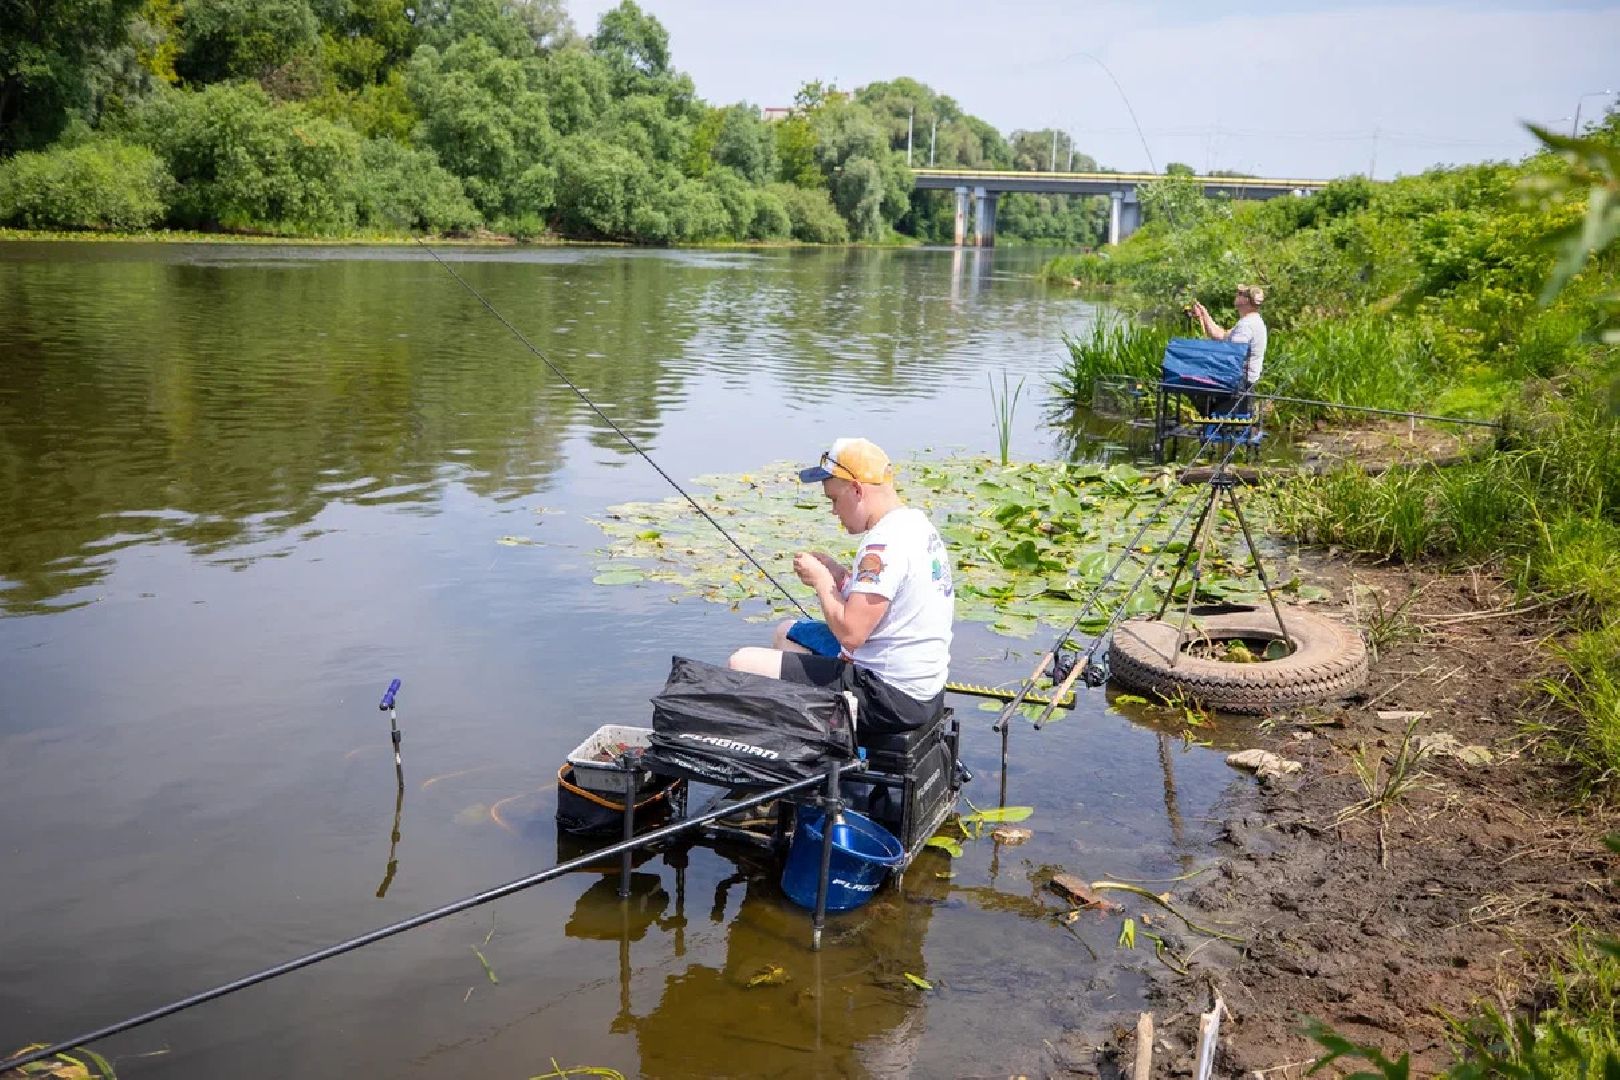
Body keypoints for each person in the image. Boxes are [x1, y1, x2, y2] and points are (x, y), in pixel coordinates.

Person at [728, 437, 954, 734]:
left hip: (890, 697)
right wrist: (840, 576)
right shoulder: (916, 525)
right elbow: (887, 603)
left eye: (834, 500)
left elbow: (851, 634)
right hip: (919, 684)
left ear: (857, 490)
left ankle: (807, 755)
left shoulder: (883, 544)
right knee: (786, 633)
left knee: (740, 663)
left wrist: (822, 582)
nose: (834, 511)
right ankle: (821, 742)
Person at [1190, 284, 1268, 388]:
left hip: (1239, 384)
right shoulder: (1253, 321)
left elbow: (1233, 356)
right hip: (1241, 382)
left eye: (1240, 294)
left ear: (1246, 300)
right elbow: (1220, 335)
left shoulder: (1246, 326)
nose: (1236, 295)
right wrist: (1204, 314)